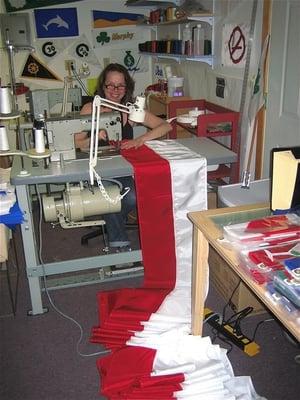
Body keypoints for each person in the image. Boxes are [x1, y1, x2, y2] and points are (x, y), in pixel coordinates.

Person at [75, 63, 172, 251]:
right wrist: (93, 138)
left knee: (132, 196)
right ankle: (120, 245)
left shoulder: (130, 109)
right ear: (102, 86)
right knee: (115, 196)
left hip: (123, 166)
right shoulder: (90, 108)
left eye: (120, 85)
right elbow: (76, 143)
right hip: (96, 167)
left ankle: (111, 221)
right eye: (110, 85)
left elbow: (165, 126)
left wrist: (141, 139)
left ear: (126, 87)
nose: (115, 90)